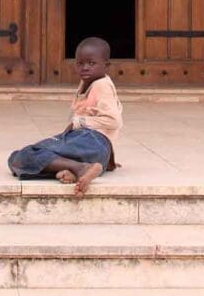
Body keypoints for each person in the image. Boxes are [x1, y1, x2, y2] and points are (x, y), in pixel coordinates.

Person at [7, 37, 123, 195]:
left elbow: (114, 121)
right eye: (80, 63)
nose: (85, 68)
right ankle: (72, 168)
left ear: (106, 66)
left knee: (25, 155)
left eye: (91, 63)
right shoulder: (88, 82)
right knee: (16, 158)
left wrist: (79, 122)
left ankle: (80, 168)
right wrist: (108, 159)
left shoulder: (102, 86)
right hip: (94, 151)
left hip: (92, 140)